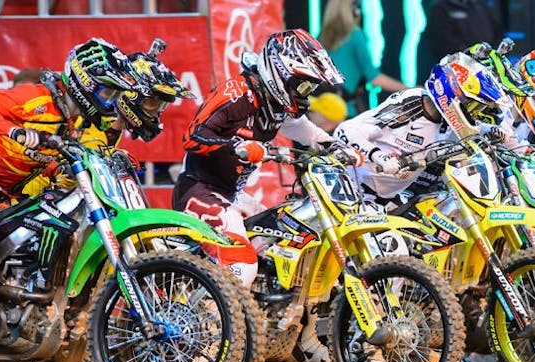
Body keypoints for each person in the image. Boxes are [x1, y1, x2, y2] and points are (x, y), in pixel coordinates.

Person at [0, 38, 138, 362]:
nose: (109, 100)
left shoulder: (74, 120)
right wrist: (16, 131)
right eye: (105, 91)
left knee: (35, 266)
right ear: (84, 82)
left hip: (10, 196)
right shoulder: (36, 98)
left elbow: (57, 157)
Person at [172, 29, 356, 289]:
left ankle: (265, 310)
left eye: (310, 88)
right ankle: (214, 313)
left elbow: (300, 127)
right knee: (243, 266)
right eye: (303, 86)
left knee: (283, 241)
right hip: (199, 190)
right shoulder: (236, 94)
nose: (305, 94)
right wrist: (238, 147)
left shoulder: (274, 103)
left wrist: (336, 146)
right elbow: (193, 137)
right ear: (281, 73)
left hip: (233, 195)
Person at [333, 51, 514, 211]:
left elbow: (472, 131)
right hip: (354, 190)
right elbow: (346, 131)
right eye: (472, 105)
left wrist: (492, 131)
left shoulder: (448, 120)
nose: (475, 113)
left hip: (395, 197)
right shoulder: (412, 104)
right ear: (454, 94)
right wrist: (379, 156)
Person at [319, 0, 406, 115]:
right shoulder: (355, 35)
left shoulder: (320, 37)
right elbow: (375, 78)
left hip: (320, 111)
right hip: (344, 112)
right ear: (355, 10)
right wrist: (410, 90)